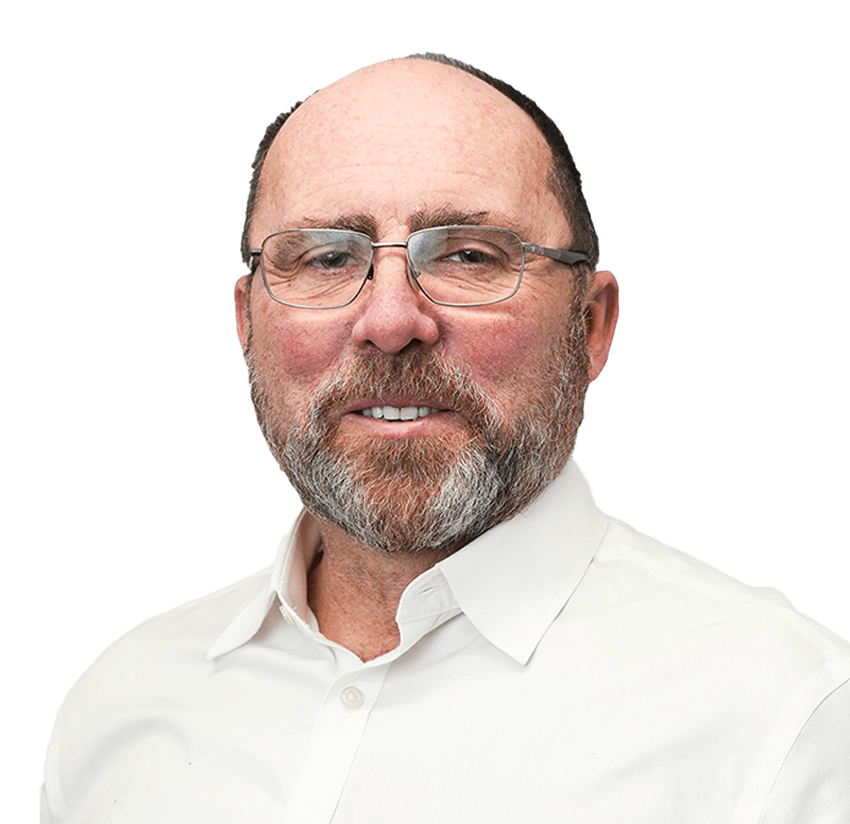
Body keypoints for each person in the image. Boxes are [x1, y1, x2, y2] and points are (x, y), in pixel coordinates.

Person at [40, 52, 849, 823]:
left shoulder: (788, 718)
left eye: (468, 254)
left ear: (591, 326)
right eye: (325, 257)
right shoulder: (120, 706)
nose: (391, 321)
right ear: (247, 325)